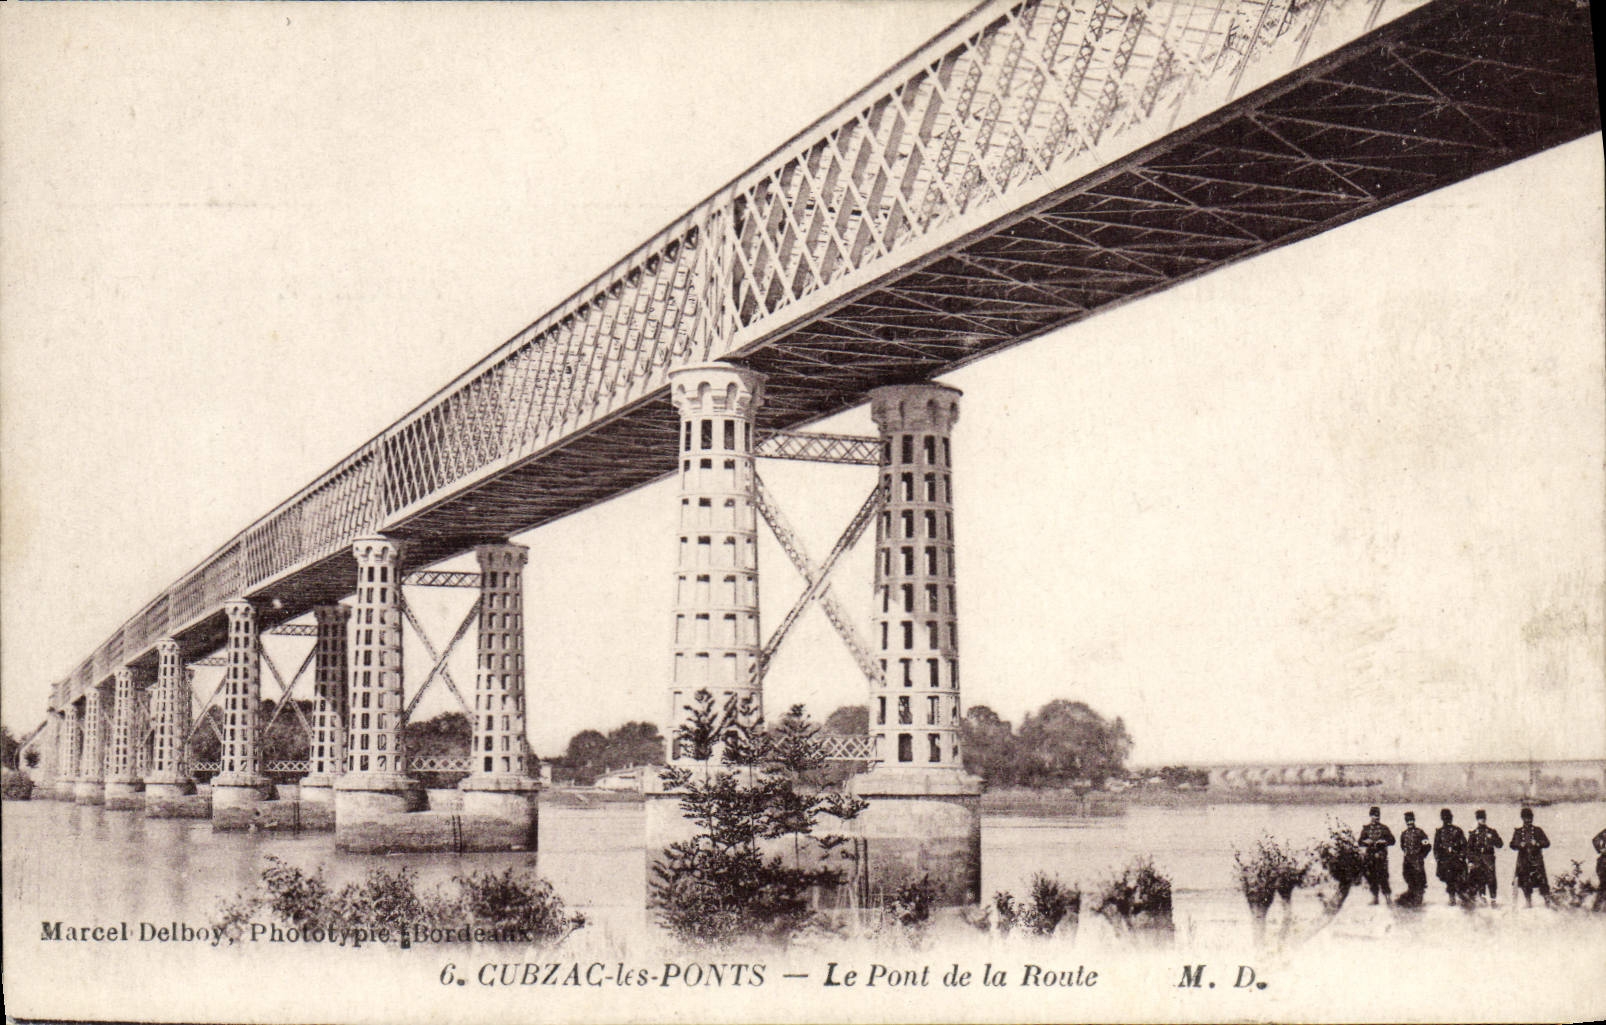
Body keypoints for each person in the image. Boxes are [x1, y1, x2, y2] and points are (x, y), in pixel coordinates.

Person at [1510, 806, 1550, 906]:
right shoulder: (1518, 832)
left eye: (1530, 818)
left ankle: (1547, 900)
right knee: (1525, 881)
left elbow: (1547, 843)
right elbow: (1512, 845)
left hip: (1536, 859)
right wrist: (1519, 845)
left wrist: (1537, 843)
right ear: (1522, 819)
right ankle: (1528, 901)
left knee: (1542, 880)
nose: (1528, 820)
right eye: (1526, 818)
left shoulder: (1538, 830)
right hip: (1523, 860)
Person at [1357, 806, 1395, 905]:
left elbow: (1392, 840)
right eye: (1374, 815)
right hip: (1370, 857)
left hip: (1381, 857)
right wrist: (1366, 842)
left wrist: (1384, 841)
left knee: (1383, 877)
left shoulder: (1384, 828)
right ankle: (1375, 898)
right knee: (1372, 877)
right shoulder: (1366, 829)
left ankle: (1388, 897)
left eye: (1378, 815)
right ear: (1370, 816)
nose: (1376, 817)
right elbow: (1359, 842)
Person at [1465, 809, 1503, 905]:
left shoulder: (1491, 831)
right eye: (1480, 818)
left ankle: (1493, 899)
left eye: (1483, 818)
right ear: (1477, 820)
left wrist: (1492, 839)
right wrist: (1470, 861)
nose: (1482, 820)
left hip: (1489, 859)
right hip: (1478, 860)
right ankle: (1483, 898)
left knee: (1491, 879)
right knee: (1480, 879)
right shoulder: (1474, 833)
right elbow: (1469, 848)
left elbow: (1500, 844)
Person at [1432, 808, 1467, 905]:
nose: (1447, 820)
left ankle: (1462, 896)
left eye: (1448, 818)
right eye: (1445, 818)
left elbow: (1464, 845)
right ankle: (1452, 898)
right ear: (1442, 819)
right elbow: (1436, 847)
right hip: (1445, 860)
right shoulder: (1439, 832)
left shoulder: (1457, 830)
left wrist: (1461, 857)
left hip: (1457, 860)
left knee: (1459, 879)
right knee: (1449, 880)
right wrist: (1438, 859)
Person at [1399, 811, 1431, 906]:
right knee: (1408, 878)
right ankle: (1411, 896)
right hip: (1407, 860)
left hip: (1417, 861)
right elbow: (1402, 846)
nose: (1410, 822)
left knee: (1419, 879)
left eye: (1411, 820)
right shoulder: (1404, 834)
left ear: (1414, 820)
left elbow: (1427, 846)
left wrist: (1422, 855)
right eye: (1408, 821)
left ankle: (1418, 899)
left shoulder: (1420, 833)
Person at [1593, 826, 1605, 913]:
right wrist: (1601, 850)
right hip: (1604, 863)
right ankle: (1596, 911)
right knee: (1603, 887)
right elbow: (1595, 839)